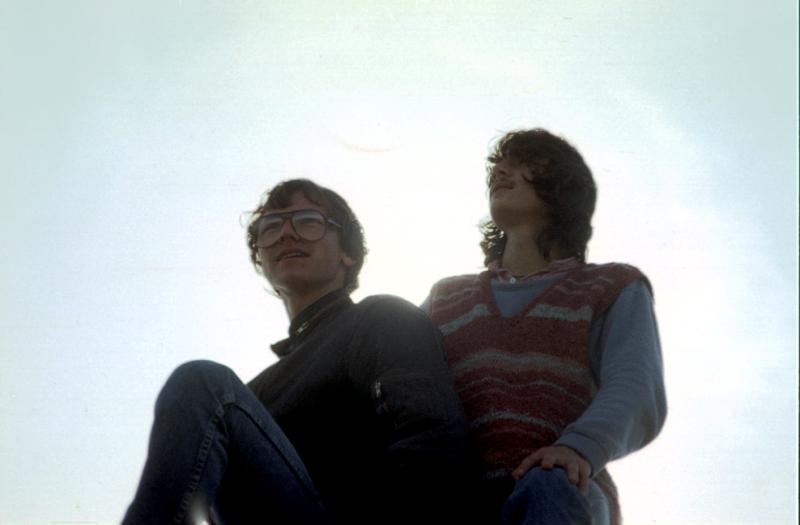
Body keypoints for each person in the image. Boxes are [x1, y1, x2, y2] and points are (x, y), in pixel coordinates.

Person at [123, 179, 471, 525]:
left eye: (308, 221)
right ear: (262, 259)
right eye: (270, 227)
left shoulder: (380, 318)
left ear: (347, 253)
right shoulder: (247, 398)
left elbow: (432, 442)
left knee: (201, 382)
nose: (287, 234)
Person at [423, 129, 667, 525]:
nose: (501, 172)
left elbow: (636, 391)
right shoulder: (445, 298)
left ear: (562, 186)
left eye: (523, 163)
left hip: (558, 490)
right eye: (498, 166)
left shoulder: (611, 287)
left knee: (549, 484)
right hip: (456, 495)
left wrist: (579, 448)